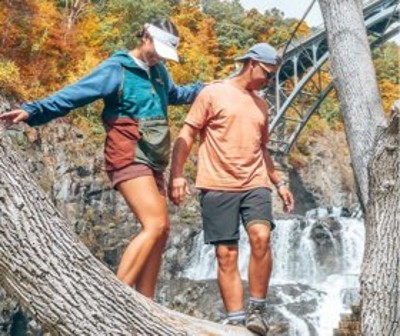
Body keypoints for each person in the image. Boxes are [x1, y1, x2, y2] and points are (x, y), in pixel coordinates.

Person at [0, 19, 203, 299]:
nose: (158, 57)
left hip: (153, 157)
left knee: (163, 230)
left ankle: (146, 303)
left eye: (164, 54)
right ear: (144, 36)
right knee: (155, 224)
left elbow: (176, 95)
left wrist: (210, 88)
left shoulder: (159, 71)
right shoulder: (116, 68)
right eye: (155, 49)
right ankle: (116, 300)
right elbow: (75, 94)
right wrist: (33, 110)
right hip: (128, 154)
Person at [168, 43, 294, 335]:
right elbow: (187, 133)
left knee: (261, 237)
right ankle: (237, 320)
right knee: (226, 254)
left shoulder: (261, 106)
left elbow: (262, 149)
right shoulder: (212, 93)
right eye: (267, 73)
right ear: (251, 63)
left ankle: (257, 311)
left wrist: (280, 183)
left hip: (255, 183)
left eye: (273, 75)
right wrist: (177, 175)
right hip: (216, 184)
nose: (269, 80)